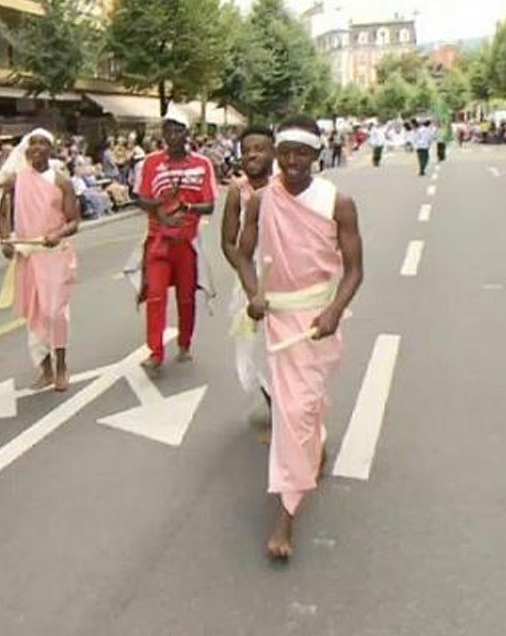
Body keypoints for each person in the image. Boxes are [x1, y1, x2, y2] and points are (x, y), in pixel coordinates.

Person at [235, 116, 364, 561]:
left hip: (318, 321)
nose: (292, 162)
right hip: (279, 318)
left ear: (316, 156)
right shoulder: (260, 201)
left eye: (302, 154)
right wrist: (254, 294)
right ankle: (286, 513)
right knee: (293, 412)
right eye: (285, 152)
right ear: (276, 153)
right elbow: (243, 252)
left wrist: (333, 311)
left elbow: (355, 269)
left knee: (306, 404)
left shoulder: (338, 203)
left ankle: (315, 440)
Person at [134, 104, 217, 373]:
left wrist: (187, 210)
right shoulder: (151, 163)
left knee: (186, 298)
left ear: (187, 134)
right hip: (158, 241)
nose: (172, 136)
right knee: (155, 296)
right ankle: (155, 352)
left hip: (187, 242)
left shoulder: (202, 164)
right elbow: (141, 198)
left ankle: (184, 343)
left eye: (177, 131)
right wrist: (159, 211)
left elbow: (210, 205)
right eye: (167, 130)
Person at [0, 129, 80, 392]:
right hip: (28, 255)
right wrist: (5, 239)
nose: (37, 148)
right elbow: (2, 211)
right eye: (32, 144)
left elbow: (74, 221)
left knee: (55, 313)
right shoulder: (17, 180)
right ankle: (44, 370)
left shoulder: (61, 181)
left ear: (51, 149)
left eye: (43, 144)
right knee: (35, 315)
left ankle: (62, 367)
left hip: (55, 255)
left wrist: (57, 234)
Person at [222, 125, 275, 431]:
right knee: (254, 350)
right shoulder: (236, 192)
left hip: (285, 280)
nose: (252, 155)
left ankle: (288, 412)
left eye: (259, 149)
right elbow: (229, 242)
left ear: (273, 152)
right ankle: (274, 405)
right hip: (250, 281)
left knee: (284, 350)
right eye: (247, 151)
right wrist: (248, 280)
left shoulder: (285, 186)